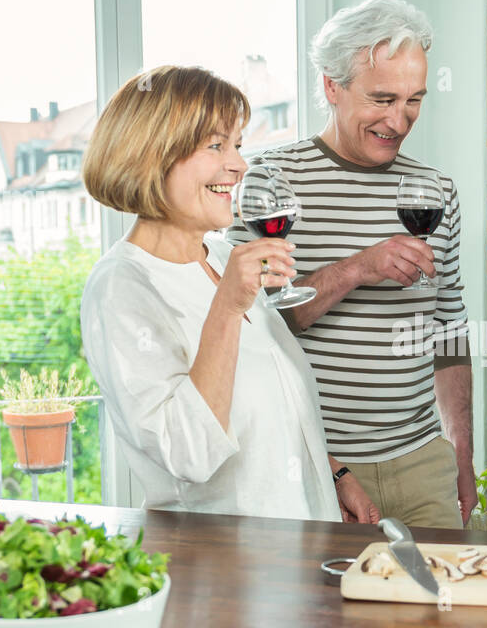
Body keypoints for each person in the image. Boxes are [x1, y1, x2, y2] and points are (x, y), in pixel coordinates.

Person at [79, 65, 379, 523]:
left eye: (237, 145)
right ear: (151, 155)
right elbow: (188, 455)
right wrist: (227, 308)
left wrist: (333, 476)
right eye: (216, 145)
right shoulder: (121, 287)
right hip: (226, 568)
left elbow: (273, 402)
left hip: (304, 548)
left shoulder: (224, 257)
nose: (239, 164)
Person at [229, 0, 474, 528]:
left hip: (423, 463)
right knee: (327, 612)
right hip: (316, 463)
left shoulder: (436, 190)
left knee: (441, 606)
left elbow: (450, 334)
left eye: (414, 100)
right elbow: (243, 325)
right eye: (382, 98)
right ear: (331, 86)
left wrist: (460, 456)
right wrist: (356, 269)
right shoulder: (267, 181)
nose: (399, 119)